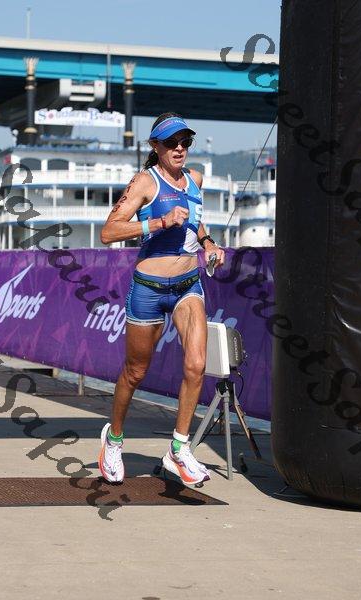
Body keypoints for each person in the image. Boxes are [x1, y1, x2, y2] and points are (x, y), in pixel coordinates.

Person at [98, 112, 225, 486]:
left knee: (196, 365)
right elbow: (108, 232)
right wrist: (158, 222)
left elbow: (195, 220)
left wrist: (209, 243)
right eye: (171, 142)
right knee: (135, 372)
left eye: (185, 141)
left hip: (188, 285)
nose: (179, 148)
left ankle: (179, 449)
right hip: (149, 290)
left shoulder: (195, 179)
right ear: (155, 146)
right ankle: (114, 440)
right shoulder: (145, 182)